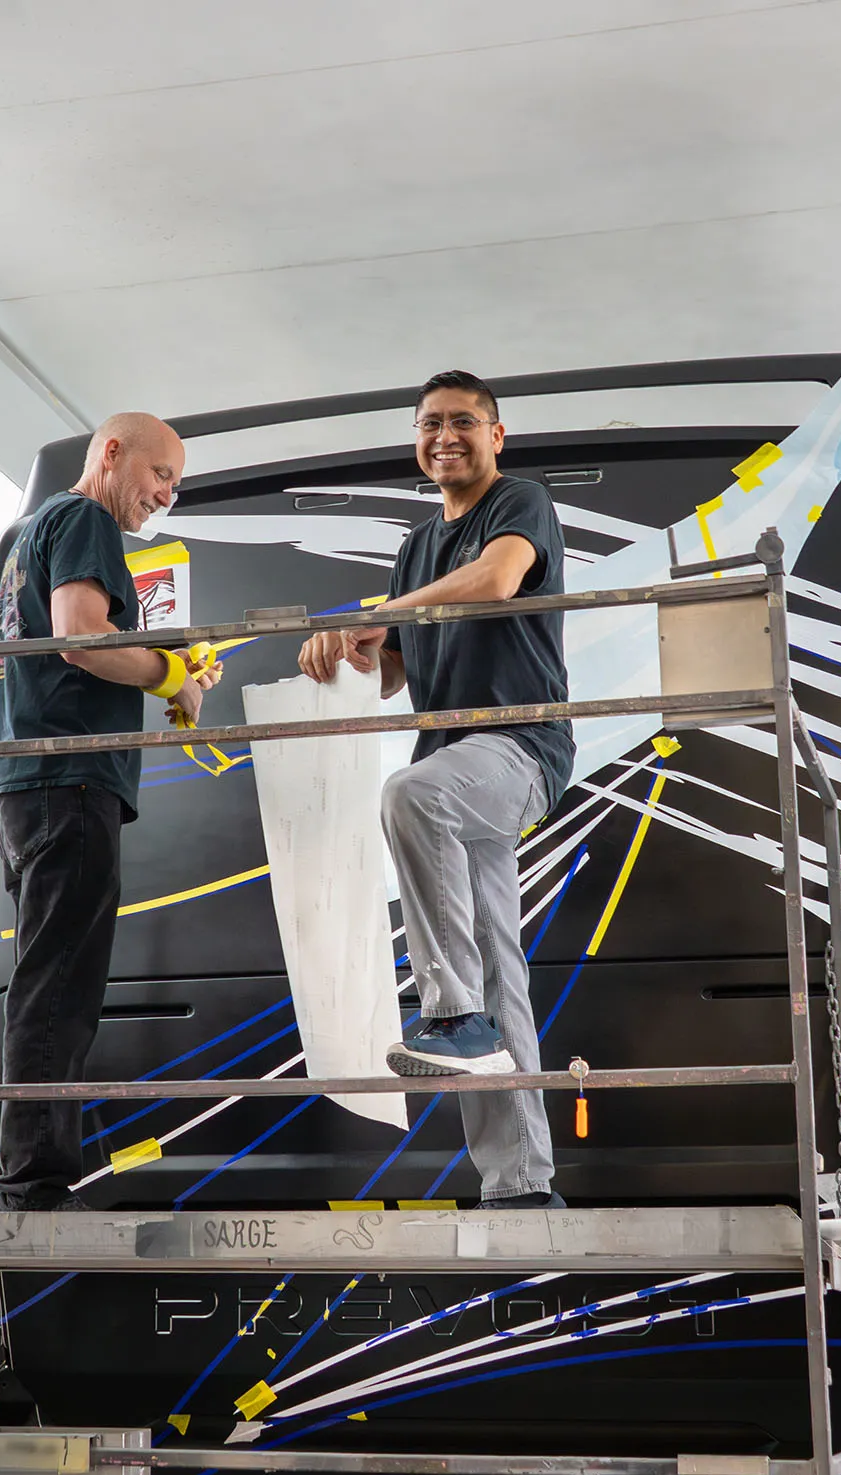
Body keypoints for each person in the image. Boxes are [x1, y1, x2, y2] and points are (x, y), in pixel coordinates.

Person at [297, 370, 571, 1209]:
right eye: (429, 424)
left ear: (497, 435)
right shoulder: (418, 547)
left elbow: (494, 582)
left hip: (519, 748)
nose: (443, 435)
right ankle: (520, 1182)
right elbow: (394, 672)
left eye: (462, 422)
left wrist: (386, 609)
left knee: (410, 795)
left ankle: (450, 1016)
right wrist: (344, 648)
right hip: (456, 756)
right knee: (499, 966)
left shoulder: (519, 502)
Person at [0, 412, 214, 1210]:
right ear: (111, 453)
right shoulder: (82, 517)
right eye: (160, 475)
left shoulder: (28, 534)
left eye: (175, 486)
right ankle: (36, 1182)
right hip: (68, 778)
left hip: (26, 780)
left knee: (45, 977)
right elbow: (81, 638)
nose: (166, 495)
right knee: (61, 986)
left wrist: (160, 664)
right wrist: (170, 675)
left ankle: (17, 1166)